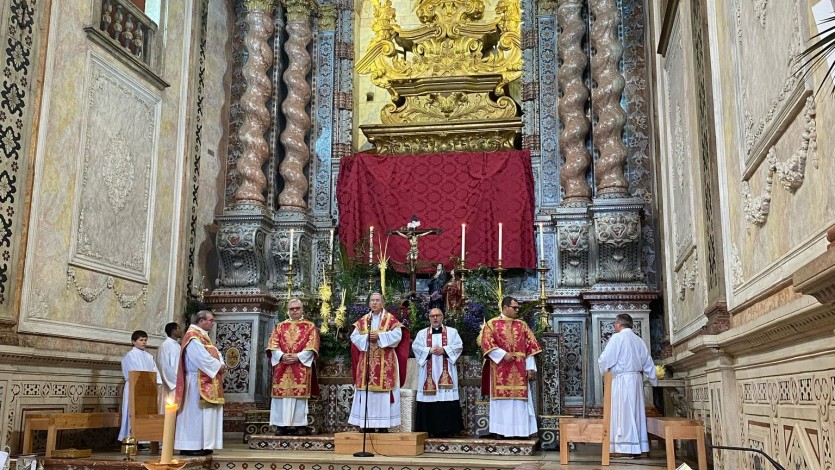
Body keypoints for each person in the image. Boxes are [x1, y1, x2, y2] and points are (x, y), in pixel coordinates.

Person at [598, 313, 658, 459]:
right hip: (636, 381)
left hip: (622, 381)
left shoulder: (617, 338)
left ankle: (623, 447)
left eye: (615, 324)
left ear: (619, 324)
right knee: (635, 413)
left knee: (622, 414)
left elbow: (605, 359)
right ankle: (637, 447)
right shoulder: (639, 340)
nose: (614, 326)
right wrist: (654, 380)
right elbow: (648, 362)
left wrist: (604, 369)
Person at [480, 296, 541, 439]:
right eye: (514, 307)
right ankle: (500, 432)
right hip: (500, 368)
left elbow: (530, 346)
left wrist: (530, 367)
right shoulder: (492, 324)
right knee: (501, 402)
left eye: (517, 307)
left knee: (519, 402)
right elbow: (487, 343)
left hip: (520, 368)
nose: (517, 310)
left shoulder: (522, 325)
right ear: (505, 307)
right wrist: (502, 354)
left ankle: (521, 432)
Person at [349, 292, 410, 431]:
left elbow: (398, 335)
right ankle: (367, 425)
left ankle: (383, 426)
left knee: (383, 396)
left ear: (382, 303)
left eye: (377, 300)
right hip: (367, 363)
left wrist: (380, 337)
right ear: (369, 303)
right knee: (368, 394)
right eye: (372, 300)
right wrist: (366, 338)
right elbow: (354, 337)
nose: (374, 303)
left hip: (385, 362)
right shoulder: (363, 321)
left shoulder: (390, 319)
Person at [175, 310, 226, 456]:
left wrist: (221, 364)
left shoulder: (203, 336)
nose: (212, 323)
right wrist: (218, 366)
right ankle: (190, 445)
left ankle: (203, 444)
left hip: (206, 377)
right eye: (211, 320)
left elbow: (215, 353)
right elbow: (201, 357)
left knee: (204, 415)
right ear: (201, 321)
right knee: (194, 414)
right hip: (195, 381)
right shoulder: (192, 337)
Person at [266, 299, 320, 436]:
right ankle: (281, 425)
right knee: (281, 397)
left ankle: (299, 425)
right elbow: (273, 344)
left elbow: (312, 345)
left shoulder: (310, 327)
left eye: (297, 308)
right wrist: (281, 356)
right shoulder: (280, 326)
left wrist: (299, 357)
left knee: (299, 396)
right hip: (282, 366)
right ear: (288, 311)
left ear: (302, 309)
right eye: (292, 309)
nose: (294, 311)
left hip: (300, 366)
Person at [412, 308, 464, 437]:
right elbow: (415, 347)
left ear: (442, 317)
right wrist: (429, 350)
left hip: (446, 371)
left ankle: (449, 430)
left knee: (447, 398)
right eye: (432, 316)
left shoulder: (452, 332)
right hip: (428, 372)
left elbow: (459, 346)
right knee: (429, 398)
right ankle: (428, 429)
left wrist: (445, 350)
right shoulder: (422, 334)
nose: (435, 318)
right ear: (429, 318)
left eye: (438, 315)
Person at [118, 330, 162, 441]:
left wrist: (156, 383)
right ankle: (131, 437)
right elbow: (132, 373)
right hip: (134, 387)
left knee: (147, 413)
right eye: (141, 340)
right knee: (132, 412)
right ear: (133, 341)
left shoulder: (149, 356)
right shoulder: (130, 355)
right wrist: (142, 381)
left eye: (145, 340)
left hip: (148, 389)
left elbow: (155, 372)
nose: (144, 342)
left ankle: (145, 438)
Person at [157, 322, 182, 410]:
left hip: (179, 382)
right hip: (172, 385)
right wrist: (174, 382)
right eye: (179, 328)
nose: (181, 331)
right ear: (173, 331)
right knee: (169, 409)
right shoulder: (165, 345)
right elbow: (164, 366)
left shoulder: (178, 346)